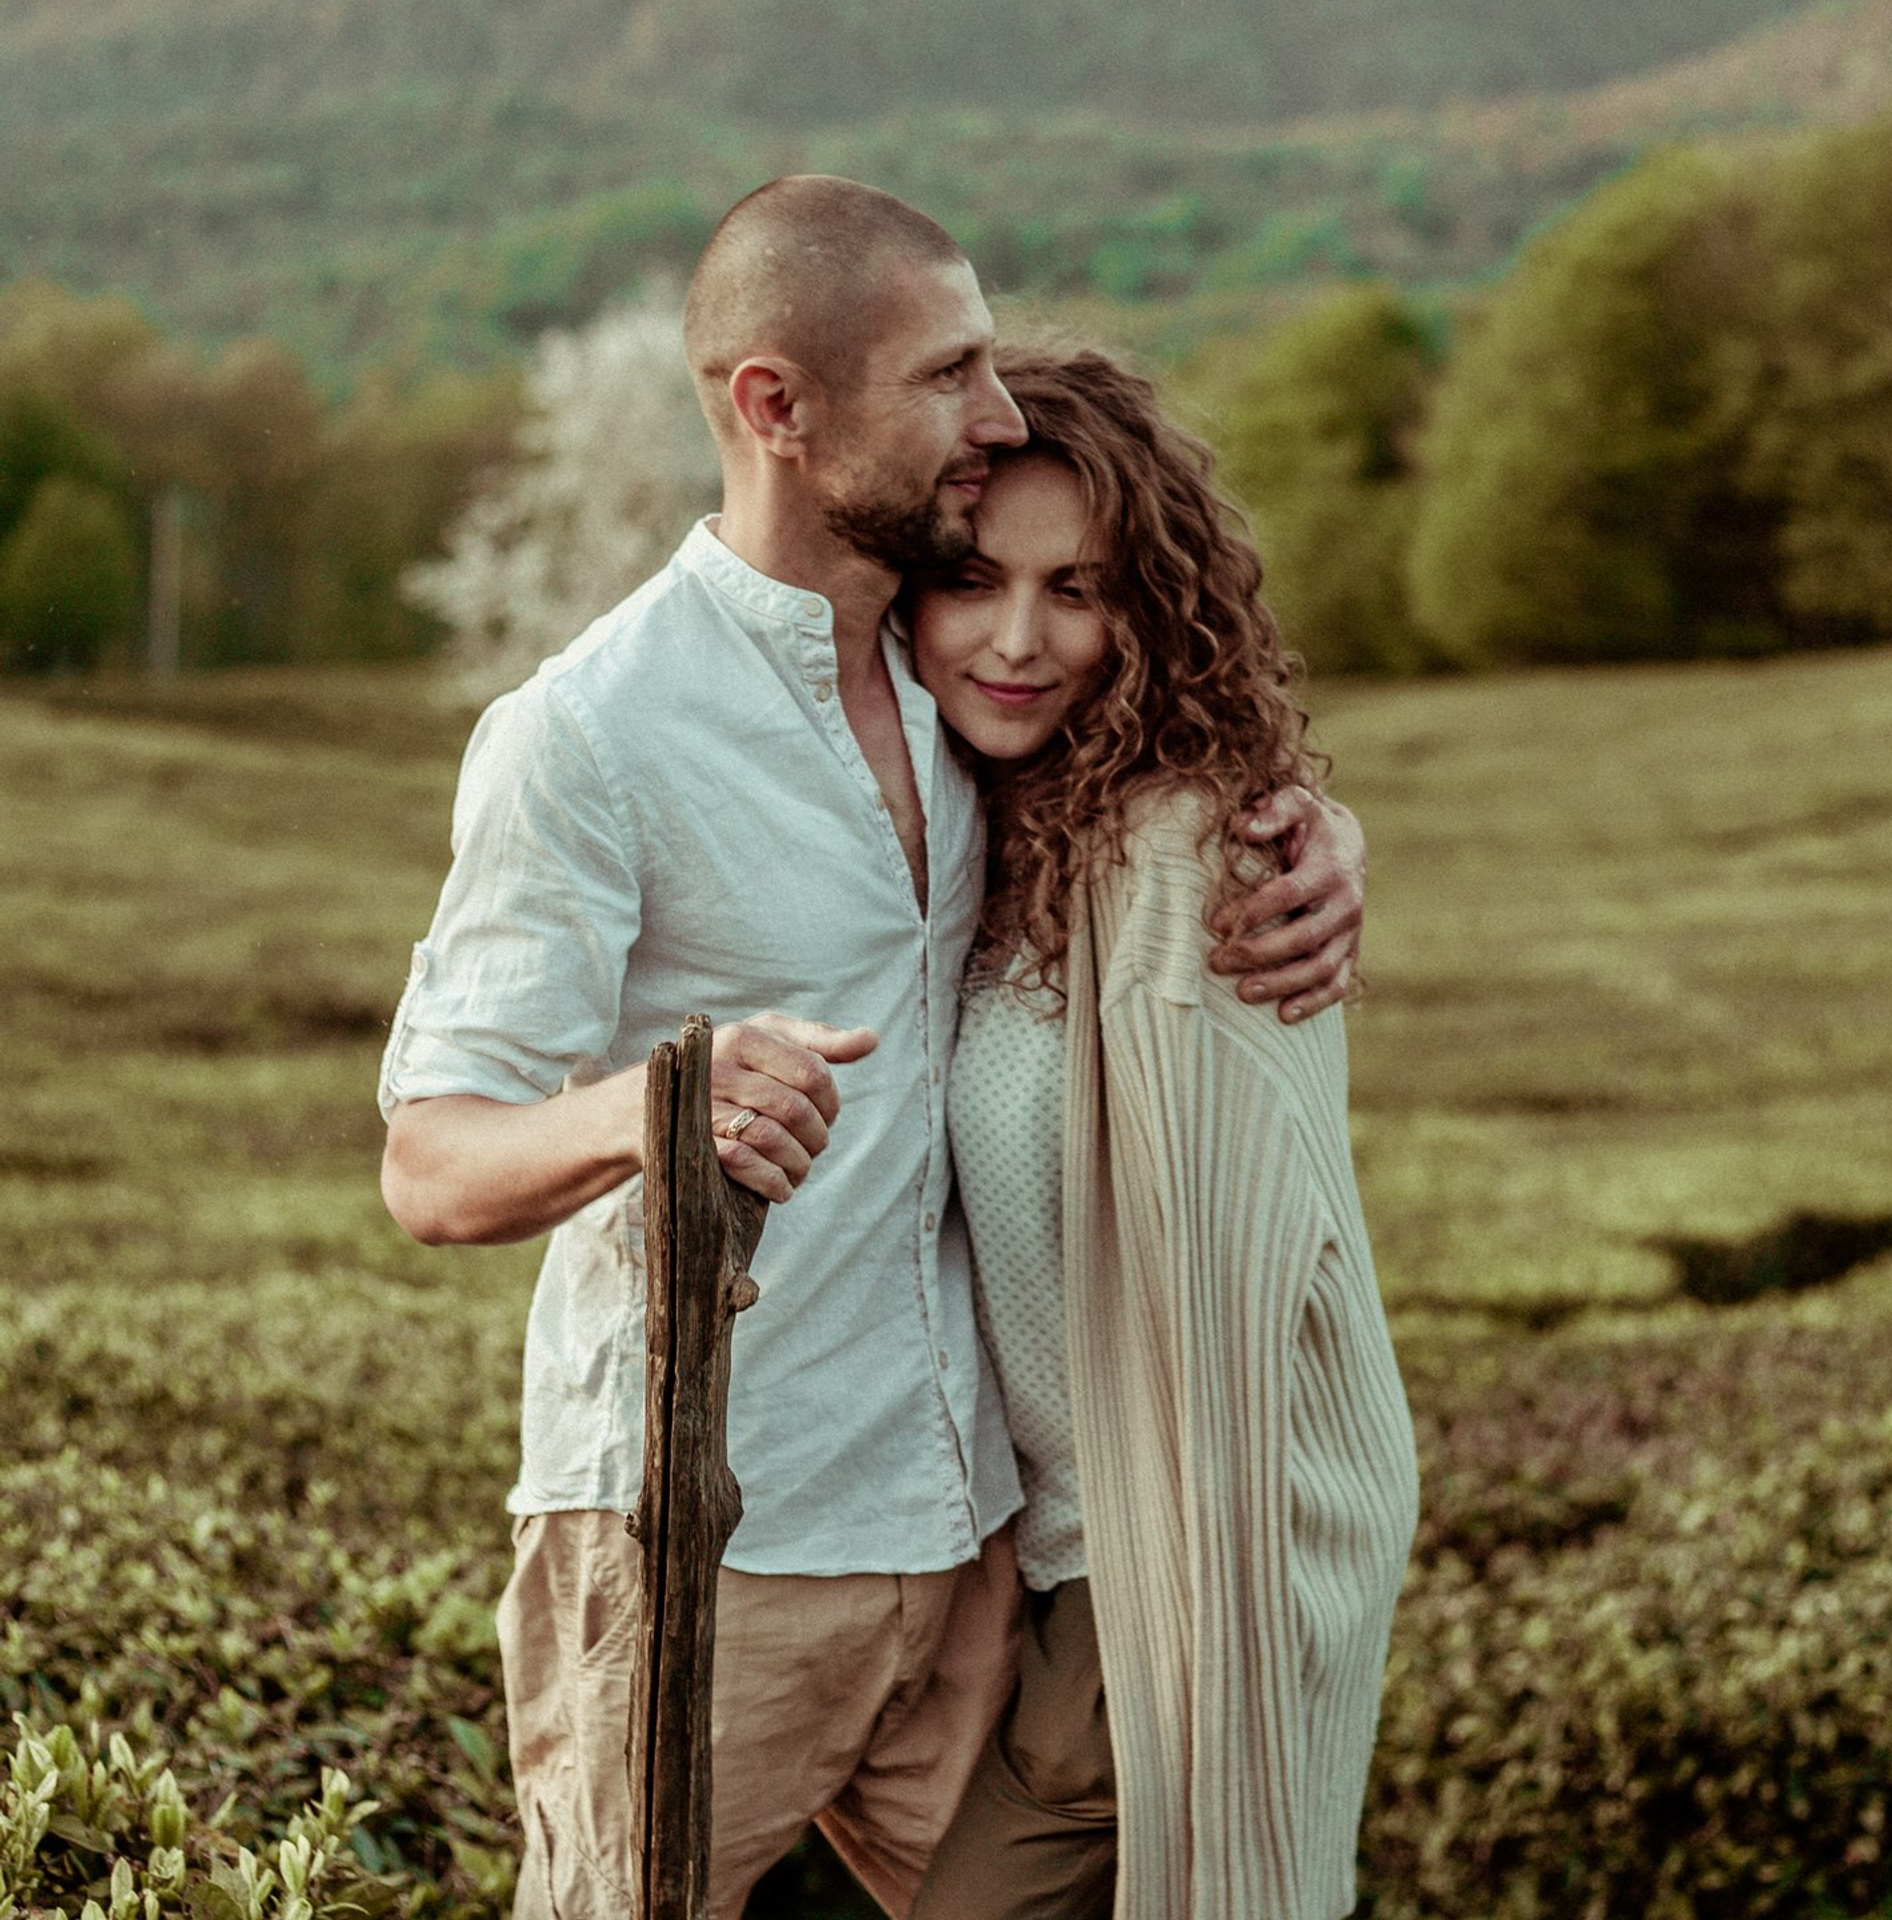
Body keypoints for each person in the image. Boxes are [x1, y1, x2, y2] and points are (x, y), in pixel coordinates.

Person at [378, 177, 1370, 1920]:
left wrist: (1309, 831)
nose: (994, 416)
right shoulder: (588, 737)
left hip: (966, 1535)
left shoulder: (948, 682)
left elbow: (1153, 781)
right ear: (777, 409)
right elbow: (431, 1159)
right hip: (713, 1547)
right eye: (949, 376)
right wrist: (656, 1105)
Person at [904, 345, 1421, 1920]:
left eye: (1080, 588)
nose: (1015, 639)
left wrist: (1194, 1650)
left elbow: (1230, 1292)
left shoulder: (1185, 850)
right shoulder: (983, 824)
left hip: (1191, 1557)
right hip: (1062, 1572)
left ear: (1155, 611)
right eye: (973, 580)